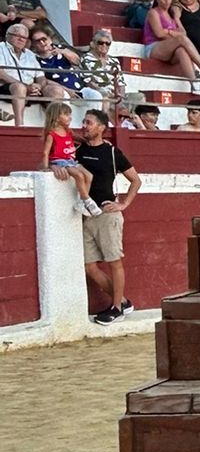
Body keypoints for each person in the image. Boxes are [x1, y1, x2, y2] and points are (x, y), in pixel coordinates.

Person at [74, 107, 140, 322]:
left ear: (101, 127)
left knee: (114, 261)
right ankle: (122, 302)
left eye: (89, 122)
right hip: (87, 214)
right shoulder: (78, 150)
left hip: (107, 213)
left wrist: (124, 204)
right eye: (83, 122)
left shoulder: (112, 153)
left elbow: (136, 180)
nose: (84, 126)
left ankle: (117, 308)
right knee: (90, 267)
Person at [142, 0, 200, 84]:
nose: (167, 2)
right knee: (181, 39)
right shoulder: (153, 12)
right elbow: (159, 34)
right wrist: (175, 36)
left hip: (168, 47)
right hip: (153, 47)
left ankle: (193, 82)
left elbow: (183, 33)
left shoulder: (171, 15)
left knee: (181, 50)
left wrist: (171, 27)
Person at [41, 101, 95, 209]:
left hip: (71, 160)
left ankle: (82, 201)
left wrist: (89, 141)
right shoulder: (52, 134)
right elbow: (45, 152)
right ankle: (86, 199)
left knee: (89, 176)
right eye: (66, 114)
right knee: (79, 176)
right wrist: (46, 166)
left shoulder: (68, 131)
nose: (70, 117)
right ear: (56, 118)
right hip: (60, 161)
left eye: (70, 114)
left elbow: (78, 138)